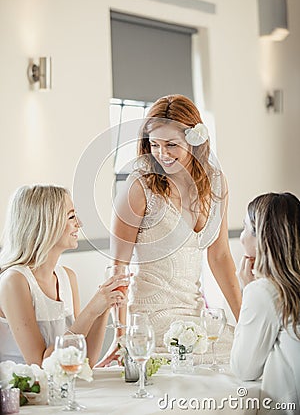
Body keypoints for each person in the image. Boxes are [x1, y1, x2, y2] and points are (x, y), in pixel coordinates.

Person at [99, 94, 242, 365]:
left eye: (171, 144)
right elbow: (118, 267)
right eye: (154, 144)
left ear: (195, 141)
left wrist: (246, 323)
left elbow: (220, 257)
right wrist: (121, 337)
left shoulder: (216, 182)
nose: (161, 153)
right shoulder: (139, 187)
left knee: (243, 356)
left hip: (196, 319)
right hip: (151, 321)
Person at [0, 184, 128, 368]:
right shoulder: (14, 281)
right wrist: (91, 309)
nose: (79, 223)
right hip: (23, 394)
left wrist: (104, 307)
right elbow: (40, 365)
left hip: (61, 391)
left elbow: (84, 361)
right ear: (46, 222)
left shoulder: (67, 277)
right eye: (71, 216)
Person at [231, 192, 300, 413]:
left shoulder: (265, 291)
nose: (241, 238)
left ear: (263, 237)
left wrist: (247, 290)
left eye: (245, 228)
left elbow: (244, 368)